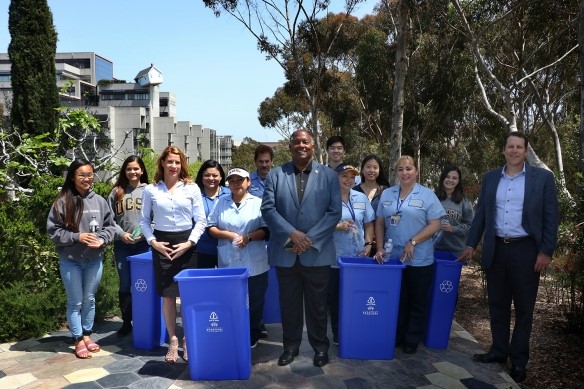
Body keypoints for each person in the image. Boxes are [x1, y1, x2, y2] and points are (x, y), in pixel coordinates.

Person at [459, 132, 559, 383]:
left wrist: (546, 250)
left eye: (519, 147)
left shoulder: (543, 178)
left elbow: (551, 217)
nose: (514, 151)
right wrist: (470, 244)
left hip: (526, 250)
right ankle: (498, 351)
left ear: (525, 151)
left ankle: (518, 361)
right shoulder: (491, 178)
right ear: (503, 150)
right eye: (509, 147)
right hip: (497, 249)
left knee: (524, 309)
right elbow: (481, 214)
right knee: (497, 304)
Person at [261, 129, 341, 368]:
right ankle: (290, 347)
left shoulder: (328, 175)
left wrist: (309, 239)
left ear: (313, 146)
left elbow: (334, 212)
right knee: (290, 305)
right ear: (290, 146)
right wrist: (292, 235)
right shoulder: (276, 175)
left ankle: (320, 348)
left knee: (318, 306)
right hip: (286, 252)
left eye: (305, 141)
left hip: (317, 252)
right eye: (296, 142)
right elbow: (268, 209)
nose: (301, 145)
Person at [139, 146, 207, 364]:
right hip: (162, 244)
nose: (174, 166)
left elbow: (202, 221)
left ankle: (187, 340)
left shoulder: (192, 188)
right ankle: (173, 340)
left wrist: (189, 243)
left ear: (182, 164)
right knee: (168, 296)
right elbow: (143, 221)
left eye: (178, 162)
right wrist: (153, 243)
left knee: (187, 296)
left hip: (187, 244)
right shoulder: (151, 190)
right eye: (170, 161)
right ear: (162, 163)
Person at [374, 155, 445, 354]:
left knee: (417, 299)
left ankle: (412, 338)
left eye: (409, 169)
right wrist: (379, 247)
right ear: (396, 173)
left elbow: (435, 224)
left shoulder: (427, 195)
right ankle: (397, 335)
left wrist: (413, 241)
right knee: (398, 299)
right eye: (401, 169)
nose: (405, 173)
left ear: (416, 171)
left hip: (419, 259)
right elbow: (380, 222)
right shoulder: (387, 194)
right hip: (393, 259)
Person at [47, 159, 116, 359]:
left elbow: (110, 227)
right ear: (72, 177)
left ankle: (87, 335)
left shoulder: (100, 201)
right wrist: (78, 237)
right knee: (75, 301)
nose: (87, 179)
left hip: (94, 259)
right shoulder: (62, 201)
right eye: (82, 175)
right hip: (71, 260)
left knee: (89, 300)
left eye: (89, 175)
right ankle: (77, 339)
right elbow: (53, 232)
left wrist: (102, 240)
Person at [207, 168, 270, 349]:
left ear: (248, 182)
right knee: (232, 300)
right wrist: (227, 235)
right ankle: (233, 331)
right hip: (229, 262)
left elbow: (267, 230)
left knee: (256, 301)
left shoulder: (258, 203)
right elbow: (211, 227)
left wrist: (248, 237)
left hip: (255, 261)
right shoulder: (221, 203)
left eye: (240, 180)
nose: (236, 184)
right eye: (232, 181)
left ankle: (252, 335)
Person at [329, 163, 375, 345]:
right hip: (334, 258)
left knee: (356, 295)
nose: (348, 180)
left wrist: (368, 244)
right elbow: (316, 225)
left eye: (351, 177)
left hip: (358, 257)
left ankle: (355, 327)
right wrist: (336, 226)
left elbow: (370, 222)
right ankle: (338, 334)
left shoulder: (361, 198)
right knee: (336, 299)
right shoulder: (327, 198)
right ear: (336, 178)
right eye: (344, 176)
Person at [108, 155, 150, 337]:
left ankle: (144, 319)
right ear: (124, 171)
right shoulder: (116, 192)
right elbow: (108, 220)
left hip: (143, 245)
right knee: (125, 283)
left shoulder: (150, 190)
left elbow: (156, 218)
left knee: (143, 284)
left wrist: (146, 234)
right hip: (122, 245)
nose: (132, 172)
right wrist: (121, 234)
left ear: (142, 170)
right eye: (129, 169)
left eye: (136, 168)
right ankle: (127, 322)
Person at [194, 160, 230, 269]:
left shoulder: (230, 194)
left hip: (228, 249)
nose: (211, 178)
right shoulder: (195, 195)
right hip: (202, 250)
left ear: (221, 177)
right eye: (207, 175)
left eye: (215, 175)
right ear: (201, 176)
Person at [353, 154, 390, 254]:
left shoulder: (386, 192)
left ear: (379, 170)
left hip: (382, 246)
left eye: (375, 167)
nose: (371, 170)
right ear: (362, 169)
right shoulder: (354, 192)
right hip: (359, 244)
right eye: (368, 167)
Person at [434, 165, 474, 256]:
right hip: (432, 248)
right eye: (447, 177)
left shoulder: (465, 202)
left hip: (455, 251)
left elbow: (470, 226)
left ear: (458, 181)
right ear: (443, 178)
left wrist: (453, 228)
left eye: (454, 178)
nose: (450, 180)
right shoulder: (432, 198)